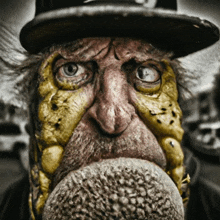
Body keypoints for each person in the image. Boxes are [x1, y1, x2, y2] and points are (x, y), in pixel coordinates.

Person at [0, 0, 219, 219]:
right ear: (33, 107)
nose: (113, 117)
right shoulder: (9, 207)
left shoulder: (213, 208)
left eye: (146, 73)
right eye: (71, 70)